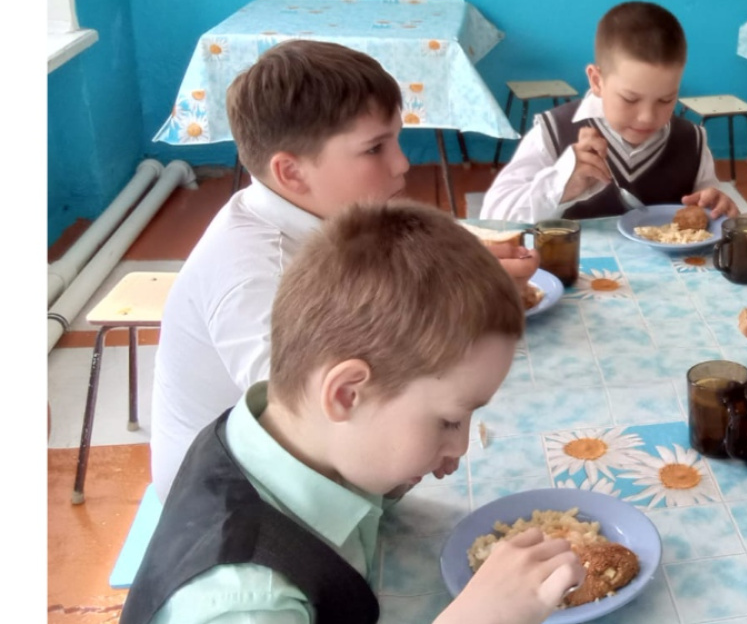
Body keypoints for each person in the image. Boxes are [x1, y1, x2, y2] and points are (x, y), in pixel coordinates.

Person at [122, 202, 585, 624]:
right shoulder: (246, 603)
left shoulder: (297, 435)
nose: (461, 447)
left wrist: (404, 468)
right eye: (448, 420)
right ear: (346, 395)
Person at [150, 40, 538, 502]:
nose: (402, 163)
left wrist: (467, 284)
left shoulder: (321, 219)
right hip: (231, 500)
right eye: (375, 148)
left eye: (395, 139)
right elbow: (304, 422)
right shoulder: (257, 272)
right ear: (291, 173)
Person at [482, 1, 738, 222]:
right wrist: (562, 184)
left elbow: (711, 203)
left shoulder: (692, 142)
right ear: (597, 81)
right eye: (630, 99)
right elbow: (493, 218)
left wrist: (718, 206)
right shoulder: (553, 132)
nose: (648, 117)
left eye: (665, 100)